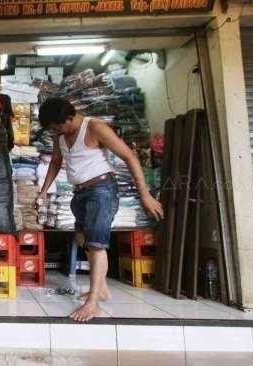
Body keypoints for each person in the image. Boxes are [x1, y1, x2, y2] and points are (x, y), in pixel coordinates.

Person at [36, 98, 164, 322]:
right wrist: (44, 190)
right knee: (82, 238)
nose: (55, 132)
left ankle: (92, 303)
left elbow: (129, 156)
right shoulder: (60, 135)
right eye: (52, 130)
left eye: (57, 127)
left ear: (69, 118)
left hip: (101, 190)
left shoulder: (95, 127)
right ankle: (102, 288)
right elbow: (56, 162)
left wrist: (144, 195)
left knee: (96, 244)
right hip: (80, 192)